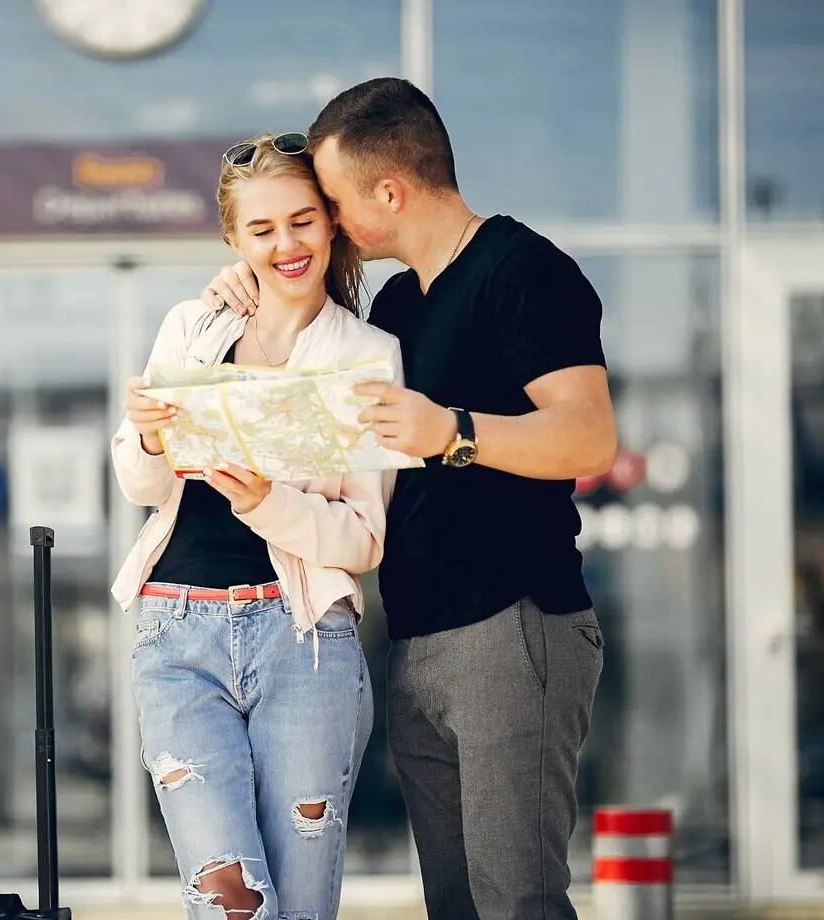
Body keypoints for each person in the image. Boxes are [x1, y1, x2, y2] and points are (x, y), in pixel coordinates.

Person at [201, 78, 617, 920]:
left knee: (517, 900)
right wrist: (241, 279)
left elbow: (588, 439)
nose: (331, 220)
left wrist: (452, 431)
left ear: (387, 192)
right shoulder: (393, 304)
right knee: (456, 905)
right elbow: (304, 310)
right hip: (418, 637)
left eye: (336, 203)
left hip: (513, 625)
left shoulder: (525, 272)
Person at [110, 132, 407, 919]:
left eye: (303, 221)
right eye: (263, 229)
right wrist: (143, 434)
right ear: (234, 241)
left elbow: (363, 540)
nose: (287, 245)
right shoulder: (191, 329)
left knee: (300, 908)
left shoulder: (369, 356)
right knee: (229, 900)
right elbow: (142, 485)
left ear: (332, 224)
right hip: (177, 636)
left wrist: (262, 502)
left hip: (304, 648)